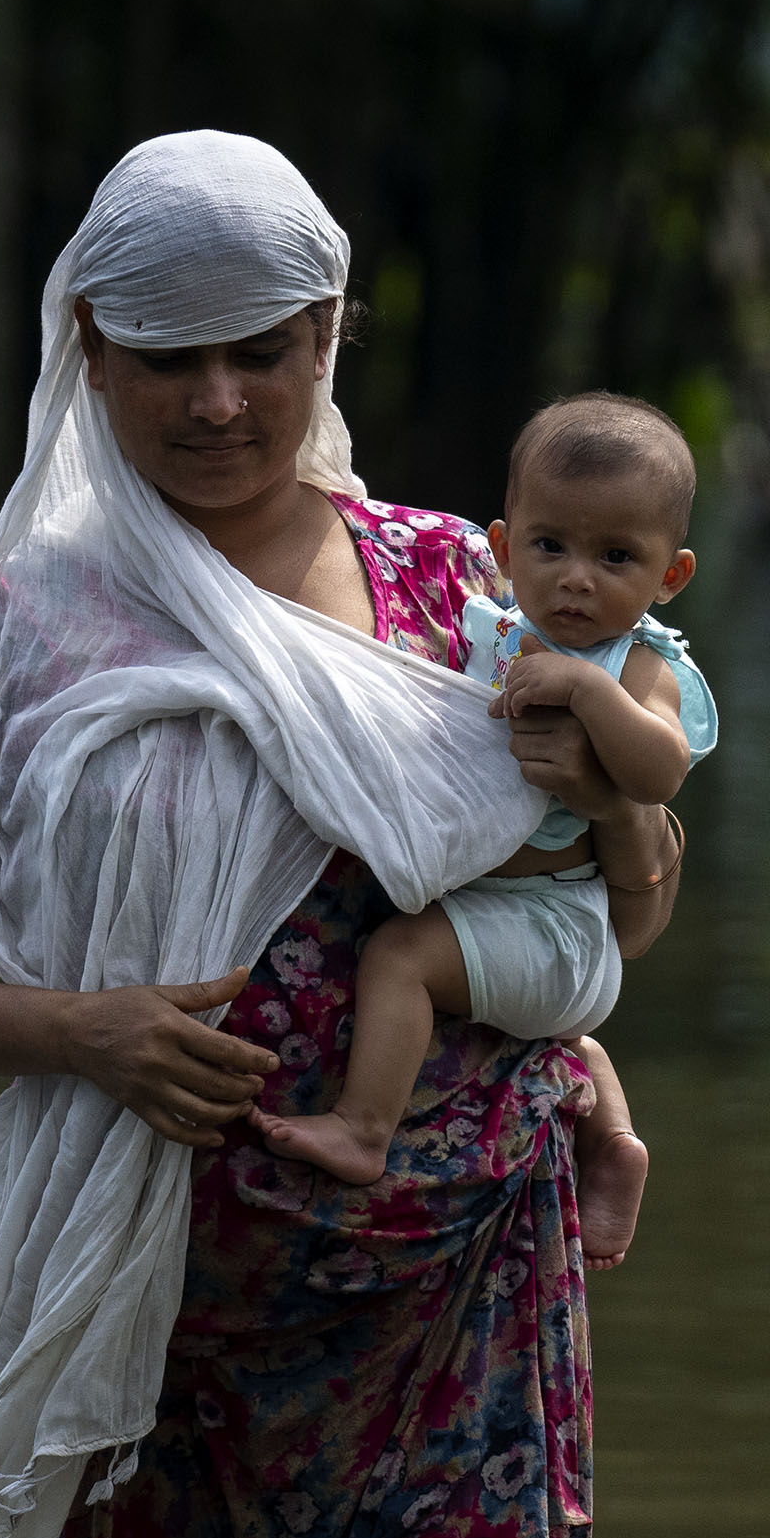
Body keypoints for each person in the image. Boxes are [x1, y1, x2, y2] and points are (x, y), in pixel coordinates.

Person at [0, 131, 678, 1538]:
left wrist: (589, 1062)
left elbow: (598, 896)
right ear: (88, 358)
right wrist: (70, 1028)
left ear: (327, 339)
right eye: (162, 356)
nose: (215, 400)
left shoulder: (479, 596)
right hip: (174, 1347)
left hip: (458, 1298)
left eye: (259, 350)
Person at [248, 393, 711, 1272]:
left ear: (670, 577)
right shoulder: (486, 630)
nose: (578, 577)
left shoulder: (637, 664)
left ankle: (361, 1127)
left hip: (557, 914)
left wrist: (587, 693)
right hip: (513, 918)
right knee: (547, 1018)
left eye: (616, 557)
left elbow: (660, 774)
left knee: (400, 958)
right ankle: (610, 1133)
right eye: (551, 547)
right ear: (500, 551)